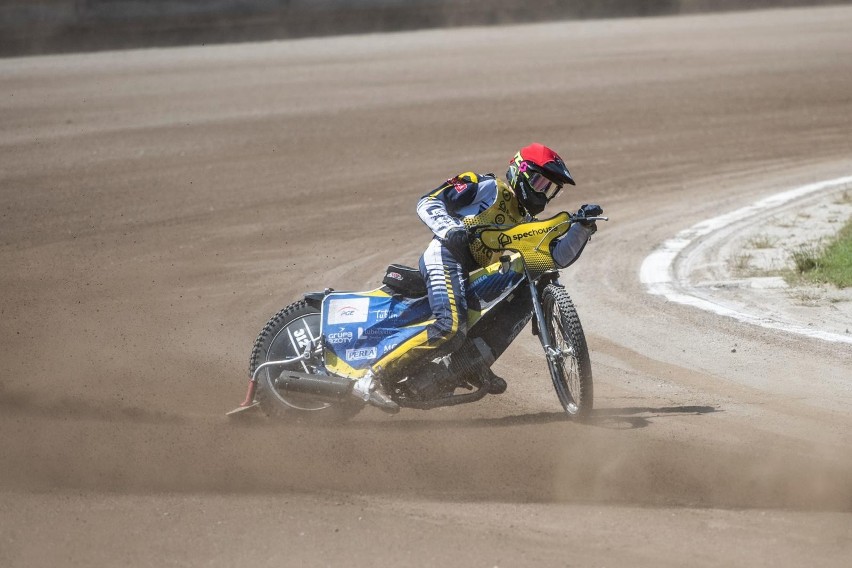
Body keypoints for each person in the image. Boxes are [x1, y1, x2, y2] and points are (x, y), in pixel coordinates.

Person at [353, 143, 602, 412]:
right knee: (449, 326)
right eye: (540, 182)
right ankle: (372, 378)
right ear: (521, 172)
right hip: (447, 255)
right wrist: (450, 228)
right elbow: (429, 201)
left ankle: (470, 364)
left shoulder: (526, 221)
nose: (544, 193)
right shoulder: (487, 186)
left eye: (551, 188)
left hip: (474, 275)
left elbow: (556, 257)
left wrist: (581, 228)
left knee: (523, 293)